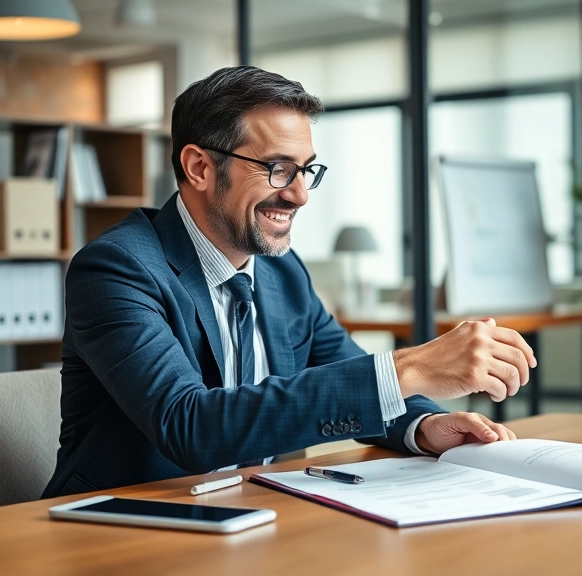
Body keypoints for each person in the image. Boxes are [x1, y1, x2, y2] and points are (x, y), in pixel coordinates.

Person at [43, 66, 537, 497]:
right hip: (125, 527)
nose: (300, 195)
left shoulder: (283, 272)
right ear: (199, 167)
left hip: (257, 511)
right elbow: (188, 424)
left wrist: (425, 426)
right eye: (278, 169)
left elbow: (348, 376)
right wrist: (411, 365)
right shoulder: (116, 268)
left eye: (306, 170)